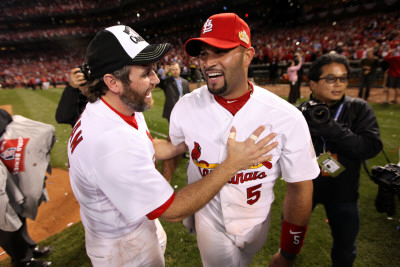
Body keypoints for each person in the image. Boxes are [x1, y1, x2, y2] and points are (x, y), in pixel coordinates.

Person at [67, 24, 278, 267]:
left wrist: (189, 140)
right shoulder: (111, 143)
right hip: (123, 248)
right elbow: (174, 211)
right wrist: (233, 164)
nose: (156, 80)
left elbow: (148, 146)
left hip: (132, 223)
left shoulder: (117, 107)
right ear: (113, 82)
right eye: (146, 73)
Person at [164, 13, 320, 266]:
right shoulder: (185, 107)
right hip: (209, 219)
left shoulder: (285, 116)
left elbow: (300, 185)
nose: (208, 63)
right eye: (203, 54)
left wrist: (289, 252)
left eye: (220, 51)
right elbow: (174, 148)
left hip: (257, 219)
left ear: (248, 56)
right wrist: (164, 182)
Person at [298, 53, 383, 267]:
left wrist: (332, 130)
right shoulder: (299, 112)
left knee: (345, 249)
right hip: (305, 188)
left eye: (343, 78)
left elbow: (370, 146)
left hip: (344, 192)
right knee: (290, 239)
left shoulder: (358, 108)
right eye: (331, 78)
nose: (339, 84)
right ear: (313, 83)